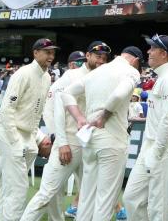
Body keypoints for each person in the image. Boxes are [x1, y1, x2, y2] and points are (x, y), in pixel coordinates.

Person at [19, 42, 110, 221]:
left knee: (89, 196)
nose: (101, 60)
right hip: (70, 141)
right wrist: (61, 143)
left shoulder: (104, 77)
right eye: (98, 56)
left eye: (104, 58)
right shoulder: (72, 75)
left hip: (92, 143)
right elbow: (58, 109)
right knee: (47, 193)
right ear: (88, 55)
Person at [64, 45, 143, 221]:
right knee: (106, 199)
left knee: (86, 196)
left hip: (91, 139)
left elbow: (67, 93)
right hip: (111, 140)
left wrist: (79, 118)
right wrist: (104, 116)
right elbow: (118, 95)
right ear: (136, 61)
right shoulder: (131, 71)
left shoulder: (96, 72)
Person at [123, 35, 168, 221]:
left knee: (158, 209)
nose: (148, 52)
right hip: (152, 145)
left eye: (152, 49)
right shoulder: (164, 76)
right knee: (131, 198)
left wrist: (157, 152)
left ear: (163, 54)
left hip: (167, 148)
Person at [0, 39, 56, 221]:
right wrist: (14, 140)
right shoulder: (23, 74)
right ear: (35, 53)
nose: (51, 56)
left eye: (53, 53)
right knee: (19, 188)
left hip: (28, 136)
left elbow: (37, 110)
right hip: (10, 133)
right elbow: (6, 109)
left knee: (8, 188)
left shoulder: (46, 77)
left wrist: (32, 138)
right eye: (47, 52)